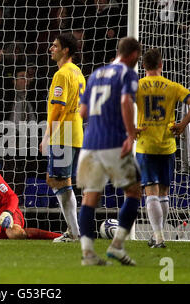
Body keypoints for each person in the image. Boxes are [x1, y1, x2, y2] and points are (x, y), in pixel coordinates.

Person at [76, 37, 142, 266]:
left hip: (89, 143)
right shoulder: (127, 73)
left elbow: (82, 111)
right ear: (133, 55)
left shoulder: (95, 74)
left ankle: (87, 253)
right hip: (113, 142)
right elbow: (125, 101)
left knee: (90, 197)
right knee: (133, 192)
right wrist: (130, 134)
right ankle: (116, 246)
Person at [135, 48, 190, 248]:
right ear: (161, 65)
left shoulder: (137, 86)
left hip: (146, 145)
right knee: (164, 193)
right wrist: (182, 124)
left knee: (151, 192)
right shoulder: (172, 86)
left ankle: (158, 236)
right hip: (167, 145)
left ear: (144, 66)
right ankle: (159, 235)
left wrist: (131, 128)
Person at [39, 32, 85, 243]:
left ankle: (75, 233)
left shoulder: (62, 74)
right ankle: (73, 231)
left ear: (66, 50)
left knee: (56, 180)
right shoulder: (78, 73)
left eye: (55, 46)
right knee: (61, 180)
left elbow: (58, 108)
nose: (52, 48)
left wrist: (48, 135)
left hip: (63, 134)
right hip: (74, 132)